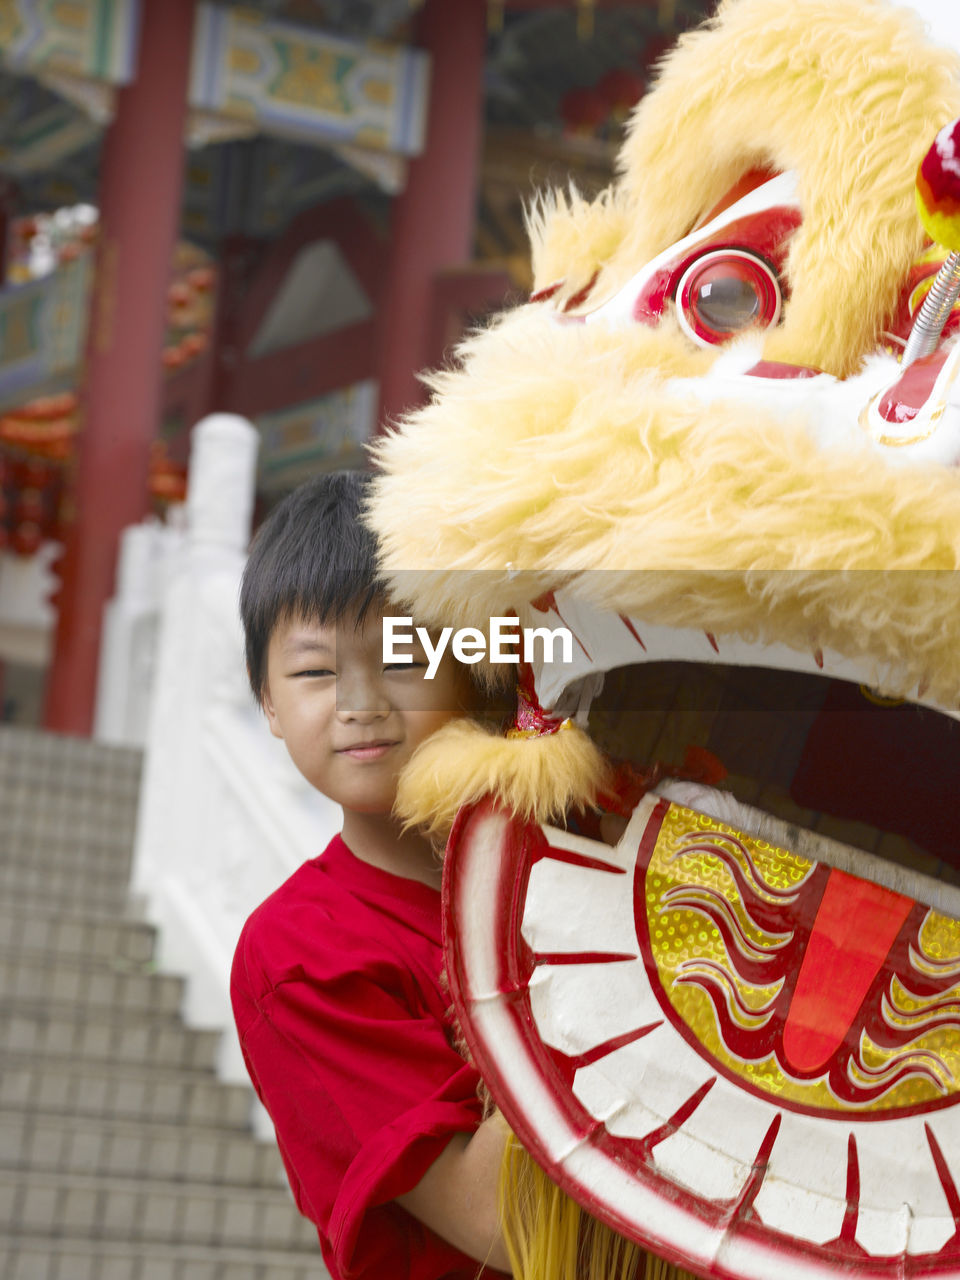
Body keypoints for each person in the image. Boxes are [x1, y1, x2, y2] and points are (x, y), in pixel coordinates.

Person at [230, 471, 512, 1280]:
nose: (361, 702)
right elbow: (494, 1221)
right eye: (316, 673)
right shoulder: (299, 953)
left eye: (404, 658)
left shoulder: (572, 849)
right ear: (269, 704)